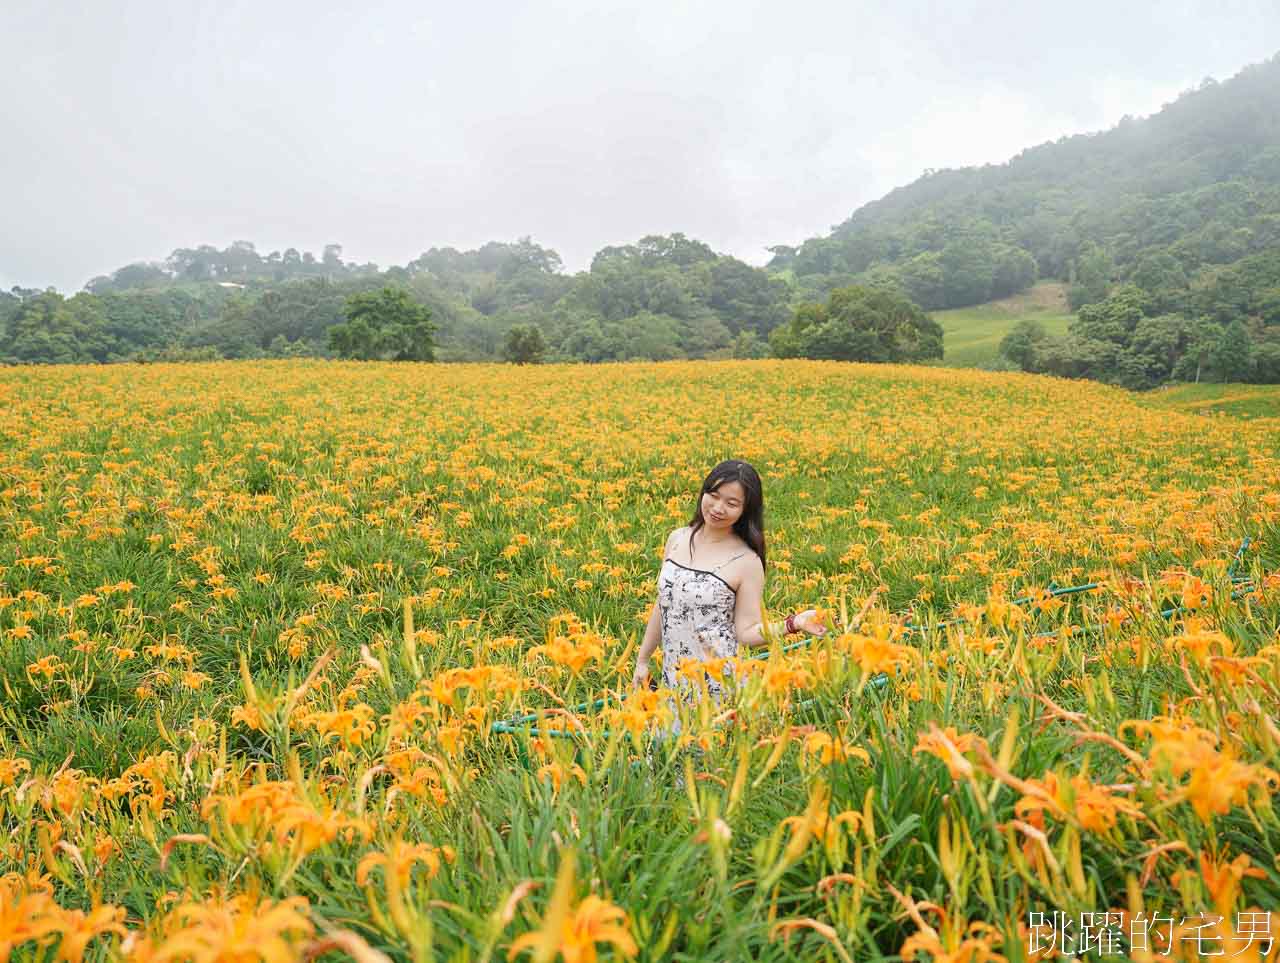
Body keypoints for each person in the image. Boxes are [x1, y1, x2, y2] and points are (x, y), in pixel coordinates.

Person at [631, 459, 827, 705]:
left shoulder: (747, 561)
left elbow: (745, 633)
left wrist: (793, 623)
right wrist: (642, 660)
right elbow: (663, 605)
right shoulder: (678, 539)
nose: (718, 508)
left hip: (720, 687)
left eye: (731, 503)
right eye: (713, 495)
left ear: (746, 510)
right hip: (675, 681)